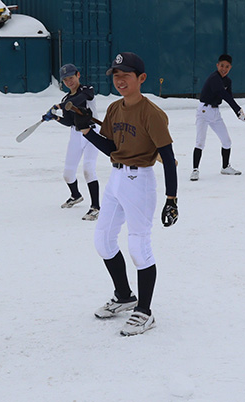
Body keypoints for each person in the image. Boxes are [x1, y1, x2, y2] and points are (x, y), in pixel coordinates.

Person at [74, 52, 178, 336]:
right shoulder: (114, 109)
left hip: (139, 180)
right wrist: (86, 131)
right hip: (116, 179)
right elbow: (111, 148)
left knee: (138, 246)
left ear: (141, 78)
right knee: (103, 240)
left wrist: (172, 199)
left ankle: (144, 312)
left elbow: (168, 159)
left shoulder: (152, 113)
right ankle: (124, 296)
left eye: (126, 76)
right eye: (116, 76)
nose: (120, 81)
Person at [42, 63, 101, 220]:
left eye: (71, 78)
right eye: (65, 80)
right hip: (76, 134)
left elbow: (77, 100)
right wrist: (55, 117)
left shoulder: (87, 90)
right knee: (68, 174)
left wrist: (58, 106)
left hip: (92, 133)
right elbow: (69, 121)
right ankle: (76, 195)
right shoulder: (66, 99)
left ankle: (95, 207)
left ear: (78, 75)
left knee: (88, 169)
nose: (69, 82)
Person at [190, 53, 245, 181]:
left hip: (215, 113)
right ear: (217, 65)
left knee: (227, 141)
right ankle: (195, 170)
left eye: (227, 67)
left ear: (230, 68)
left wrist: (239, 114)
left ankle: (225, 167)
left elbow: (230, 97)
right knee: (200, 142)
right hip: (203, 112)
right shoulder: (214, 79)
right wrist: (238, 110)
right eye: (222, 66)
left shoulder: (228, 81)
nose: (224, 69)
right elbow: (224, 95)